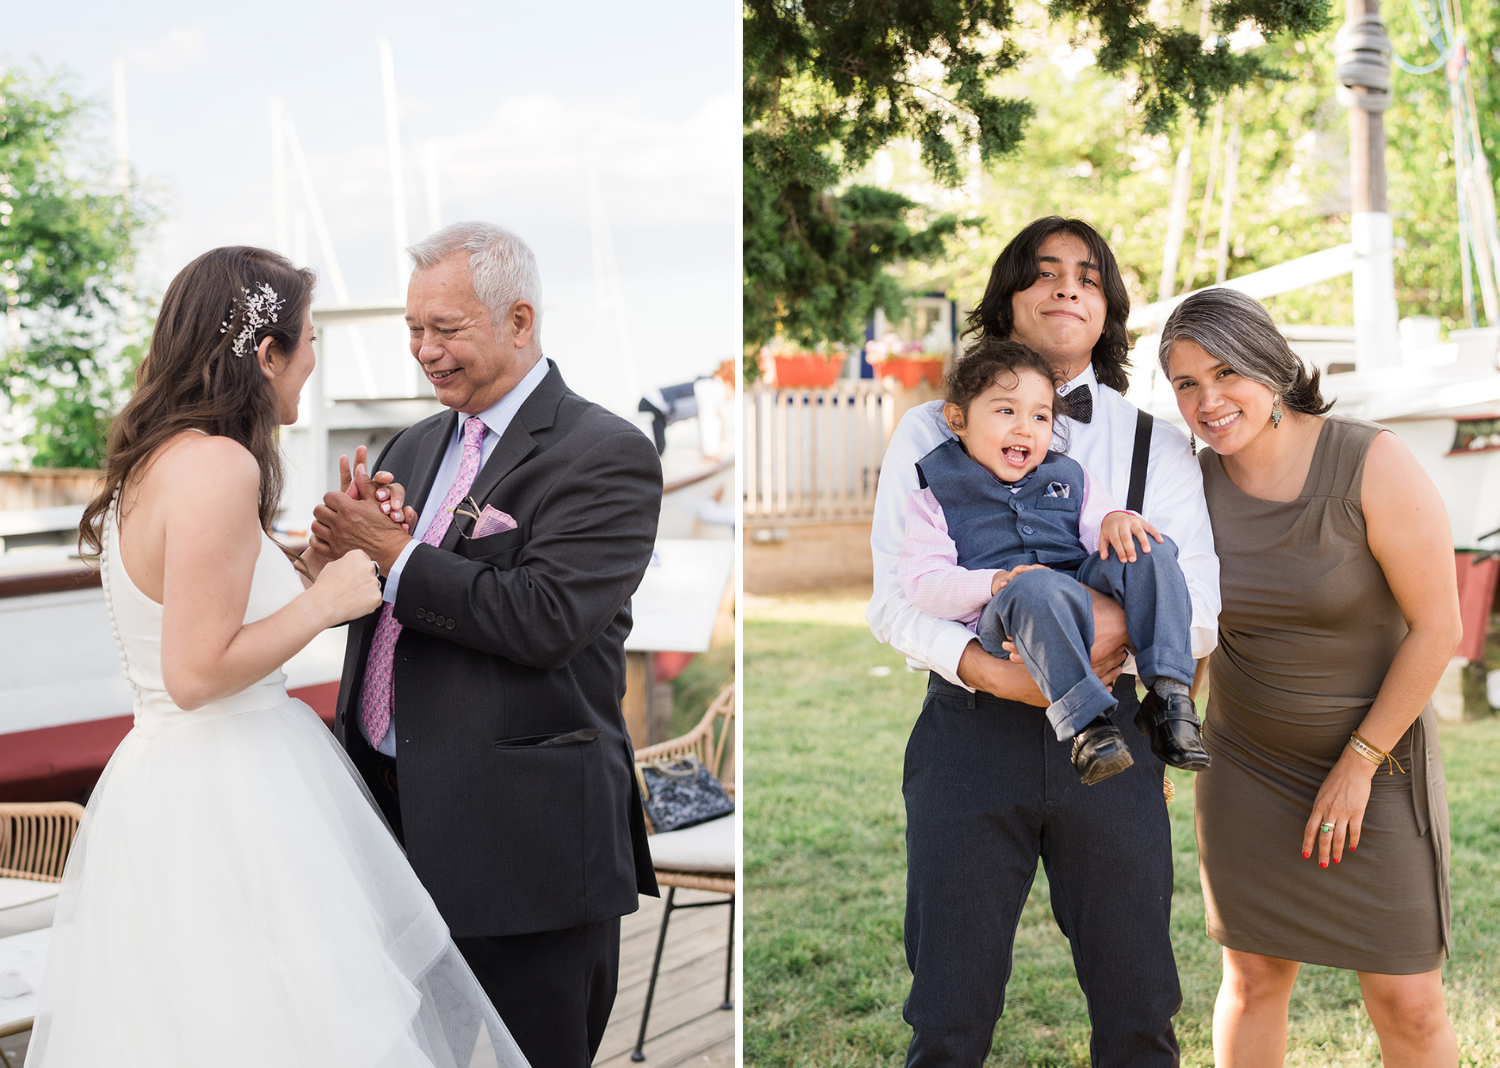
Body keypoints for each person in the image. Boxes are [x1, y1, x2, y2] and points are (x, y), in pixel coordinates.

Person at [27, 246, 529, 1067]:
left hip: (170, 787)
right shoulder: (219, 465)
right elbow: (196, 673)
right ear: (267, 356)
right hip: (231, 796)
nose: (311, 368)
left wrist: (323, 557)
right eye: (307, 348)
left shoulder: (161, 460)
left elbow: (207, 611)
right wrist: (327, 601)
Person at [866, 216, 1221, 1067]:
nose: (1068, 286)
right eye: (1045, 271)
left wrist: (1070, 638)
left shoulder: (1153, 443)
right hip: (971, 733)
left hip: (1116, 737)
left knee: (1139, 1005)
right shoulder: (927, 433)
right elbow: (893, 602)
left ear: (1107, 309)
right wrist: (993, 669)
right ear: (1010, 298)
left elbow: (1196, 602)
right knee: (948, 1013)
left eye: (1089, 276)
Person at [310, 221, 663, 1068]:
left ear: (520, 318)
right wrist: (337, 558)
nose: (424, 351)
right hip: (385, 824)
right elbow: (390, 604)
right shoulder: (416, 442)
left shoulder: (605, 451)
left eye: (446, 329)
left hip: (523, 844)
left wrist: (396, 556)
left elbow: (543, 619)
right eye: (412, 330)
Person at [1160, 287, 1460, 1067]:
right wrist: (1172, 722)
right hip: (1244, 766)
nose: (1207, 400)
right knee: (1254, 977)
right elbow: (1192, 620)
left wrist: (1359, 764)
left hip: (1377, 764)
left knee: (1408, 996)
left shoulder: (1370, 460)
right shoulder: (1191, 482)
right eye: (1185, 383)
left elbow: (1439, 628)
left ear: (1273, 365)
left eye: (1225, 373)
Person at [898, 337, 1205, 787]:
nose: (1025, 428)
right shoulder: (934, 494)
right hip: (1007, 610)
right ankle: (1087, 727)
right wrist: (994, 583)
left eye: (1040, 416)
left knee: (1146, 545)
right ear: (958, 419)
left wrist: (1119, 520)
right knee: (1035, 587)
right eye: (1006, 411)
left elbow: (1101, 526)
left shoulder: (1069, 475)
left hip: (1076, 586)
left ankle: (1168, 694)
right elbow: (923, 583)